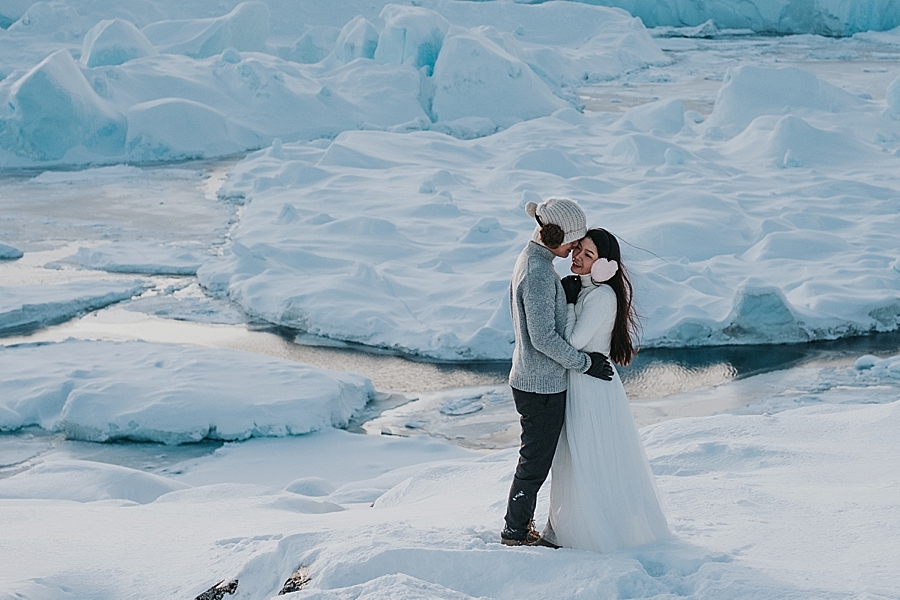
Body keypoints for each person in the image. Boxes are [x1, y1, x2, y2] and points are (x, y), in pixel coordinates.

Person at [540, 228, 671, 552]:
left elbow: (573, 342)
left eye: (589, 255)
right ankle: (563, 526)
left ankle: (591, 532)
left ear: (605, 265)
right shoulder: (588, 290)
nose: (578, 258)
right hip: (581, 381)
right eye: (579, 250)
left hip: (592, 388)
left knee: (588, 459)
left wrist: (568, 304)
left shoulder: (601, 296)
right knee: (572, 458)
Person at [501, 198, 614, 547]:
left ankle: (520, 528)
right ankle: (516, 531)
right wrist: (585, 363)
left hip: (536, 378)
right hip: (540, 385)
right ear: (553, 234)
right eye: (573, 242)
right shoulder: (537, 273)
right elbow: (544, 337)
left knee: (536, 459)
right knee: (534, 462)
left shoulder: (536, 263)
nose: (575, 249)